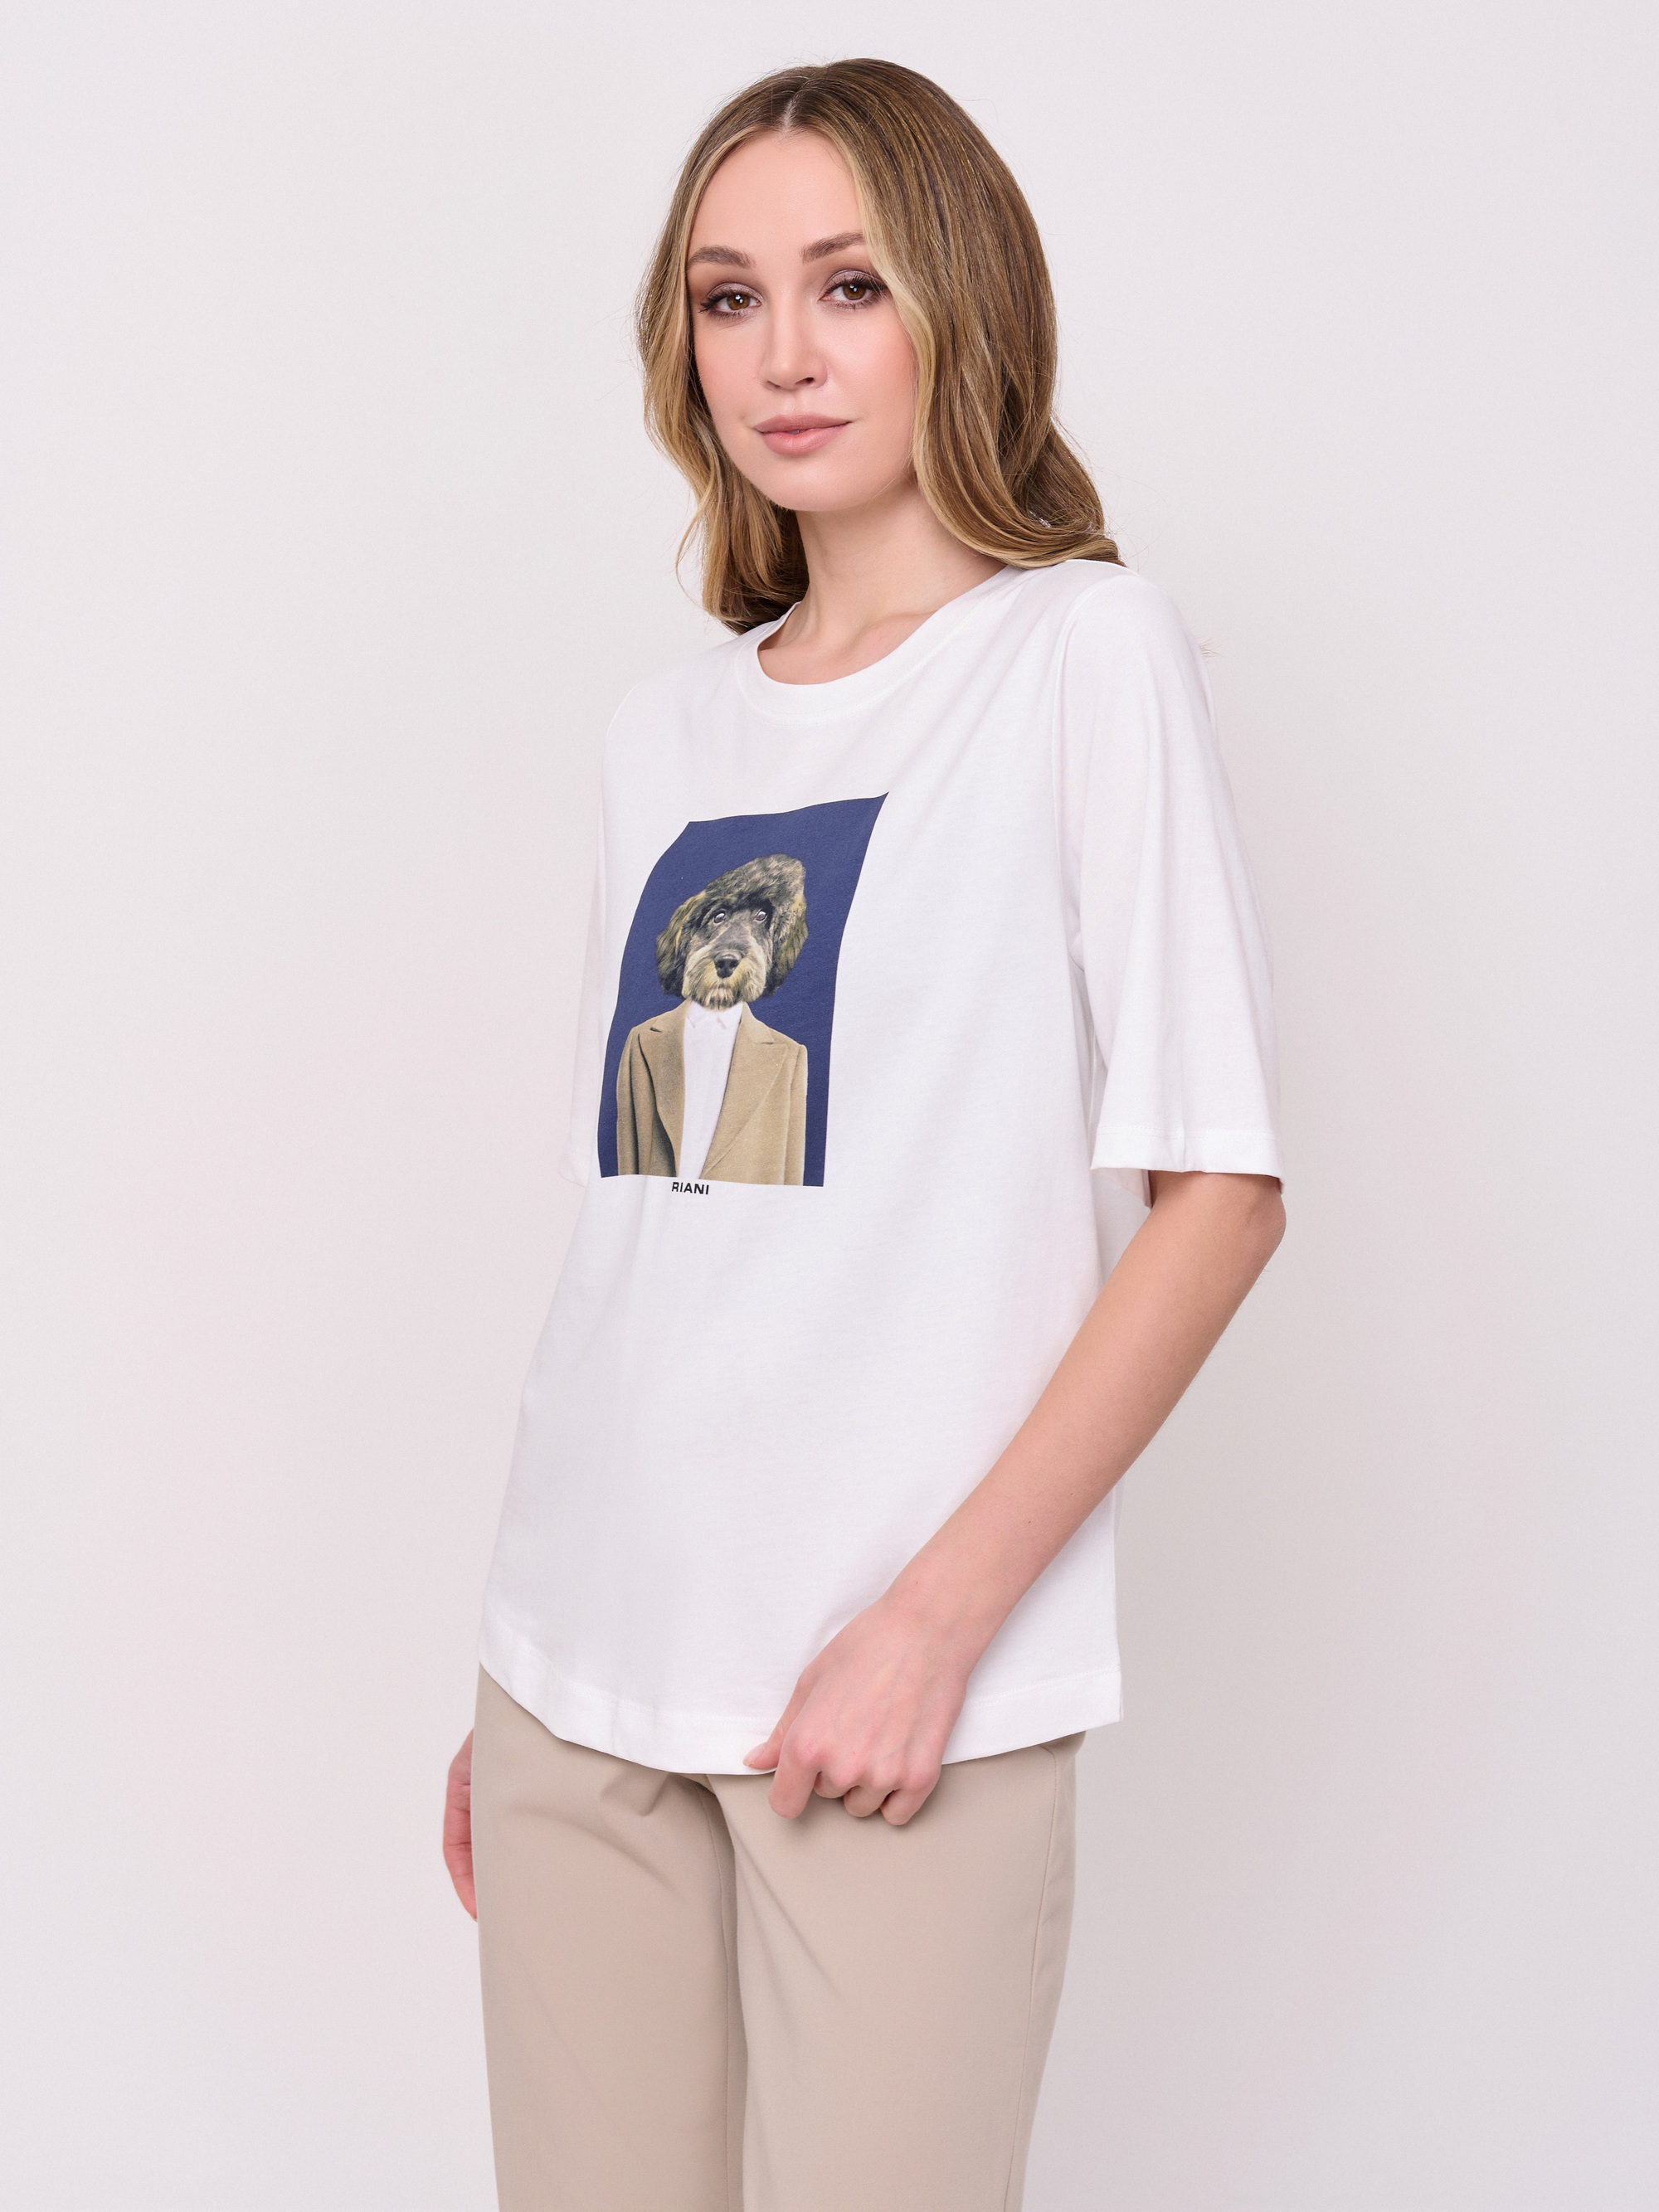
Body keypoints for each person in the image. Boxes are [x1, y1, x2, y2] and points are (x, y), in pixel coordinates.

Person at [442, 56, 1284, 2212]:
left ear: (958, 302)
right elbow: (649, 1229)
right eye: (728, 298)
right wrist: (535, 1659)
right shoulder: (664, 734)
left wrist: (933, 1625)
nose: (784, 355)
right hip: (577, 1683)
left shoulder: (1079, 656)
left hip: (896, 1694)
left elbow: (1218, 1195)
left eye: (848, 283)